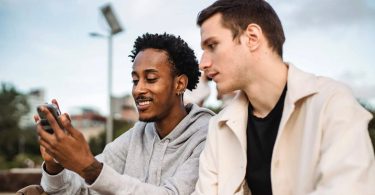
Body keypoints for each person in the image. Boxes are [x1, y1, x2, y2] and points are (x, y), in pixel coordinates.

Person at [193, 0, 375, 194]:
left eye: (212, 45)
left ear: (252, 38)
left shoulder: (331, 102)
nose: (203, 63)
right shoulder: (219, 126)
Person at [36, 33, 215, 194]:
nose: (138, 90)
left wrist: (89, 168)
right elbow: (80, 189)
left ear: (180, 84)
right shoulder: (137, 135)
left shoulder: (209, 135)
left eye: (151, 79)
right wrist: (55, 165)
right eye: (135, 80)